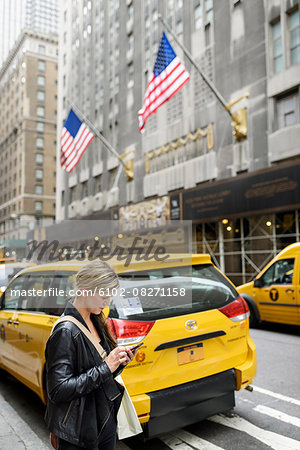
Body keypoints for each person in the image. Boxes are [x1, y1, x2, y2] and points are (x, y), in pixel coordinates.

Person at [44, 260, 138, 450]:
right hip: (79, 432)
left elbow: (100, 372)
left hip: (103, 421)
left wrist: (119, 363)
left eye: (109, 297)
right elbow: (58, 390)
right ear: (86, 289)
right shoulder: (66, 331)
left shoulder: (96, 320)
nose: (107, 302)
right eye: (104, 295)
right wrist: (106, 367)